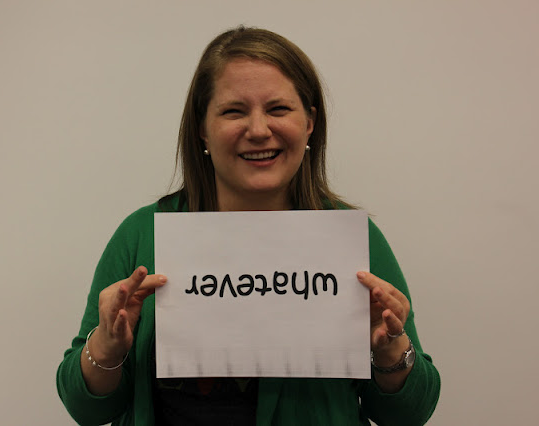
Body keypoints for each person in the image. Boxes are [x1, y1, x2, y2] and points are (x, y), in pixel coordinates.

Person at [57, 26, 440, 425]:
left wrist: (390, 350)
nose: (258, 130)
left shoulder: (353, 241)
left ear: (309, 122)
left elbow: (409, 414)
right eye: (234, 111)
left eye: (278, 109)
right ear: (202, 128)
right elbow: (86, 408)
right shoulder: (142, 235)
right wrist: (107, 347)